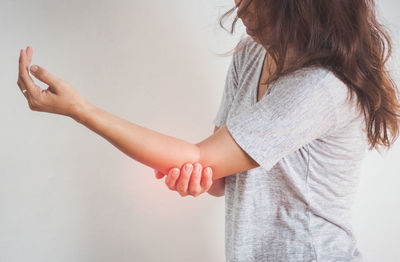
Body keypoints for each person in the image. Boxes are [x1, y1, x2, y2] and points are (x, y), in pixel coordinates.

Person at [16, 0, 400, 261]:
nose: (241, 7)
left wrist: (80, 110)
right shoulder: (250, 54)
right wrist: (202, 178)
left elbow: (199, 156)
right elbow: (216, 173)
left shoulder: (320, 88)